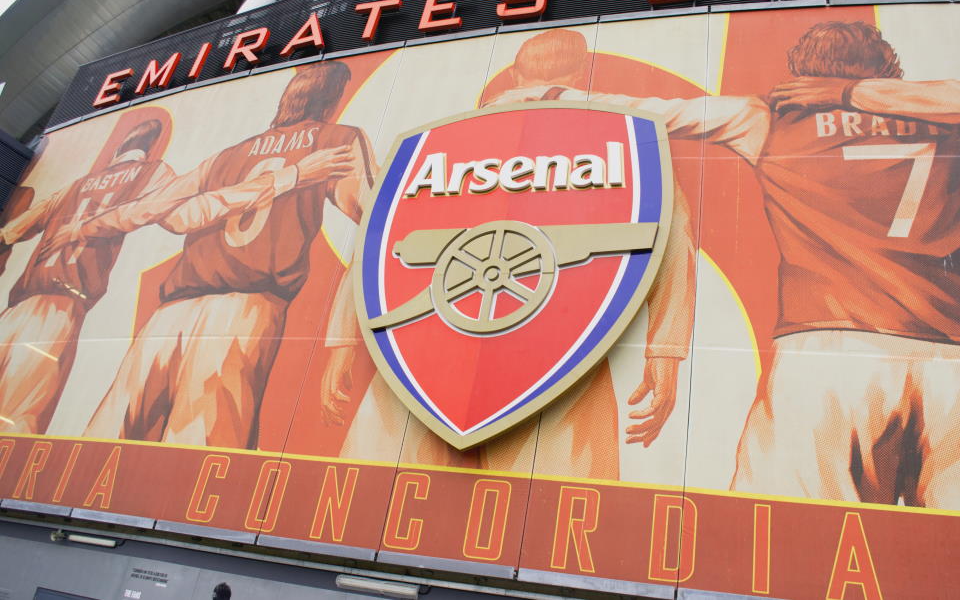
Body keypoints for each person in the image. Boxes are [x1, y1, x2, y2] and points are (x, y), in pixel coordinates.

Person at [536, 21, 960, 510]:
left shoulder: (769, 118)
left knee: (795, 529)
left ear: (800, 74)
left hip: (827, 351)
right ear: (889, 72)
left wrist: (549, 93)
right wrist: (866, 94)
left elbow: (652, 114)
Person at [323, 29, 696, 480]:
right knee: (550, 514)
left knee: (378, 497)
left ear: (515, 74)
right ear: (581, 73)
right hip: (563, 352)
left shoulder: (440, 144)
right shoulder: (621, 136)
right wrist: (666, 351)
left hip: (423, 355)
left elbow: (377, 241)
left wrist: (344, 343)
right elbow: (671, 236)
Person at [80, 61, 375, 449]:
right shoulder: (335, 141)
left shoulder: (226, 156)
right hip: (245, 308)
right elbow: (377, 217)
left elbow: (149, 209)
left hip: (170, 312)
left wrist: (86, 226)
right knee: (198, 449)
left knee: (107, 435)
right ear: (333, 100)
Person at [0, 117, 173, 433]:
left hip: (15, 306)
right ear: (150, 147)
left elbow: (19, 226)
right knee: (19, 416)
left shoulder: (79, 183)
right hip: (60, 306)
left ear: (119, 147)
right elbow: (169, 200)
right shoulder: (153, 171)